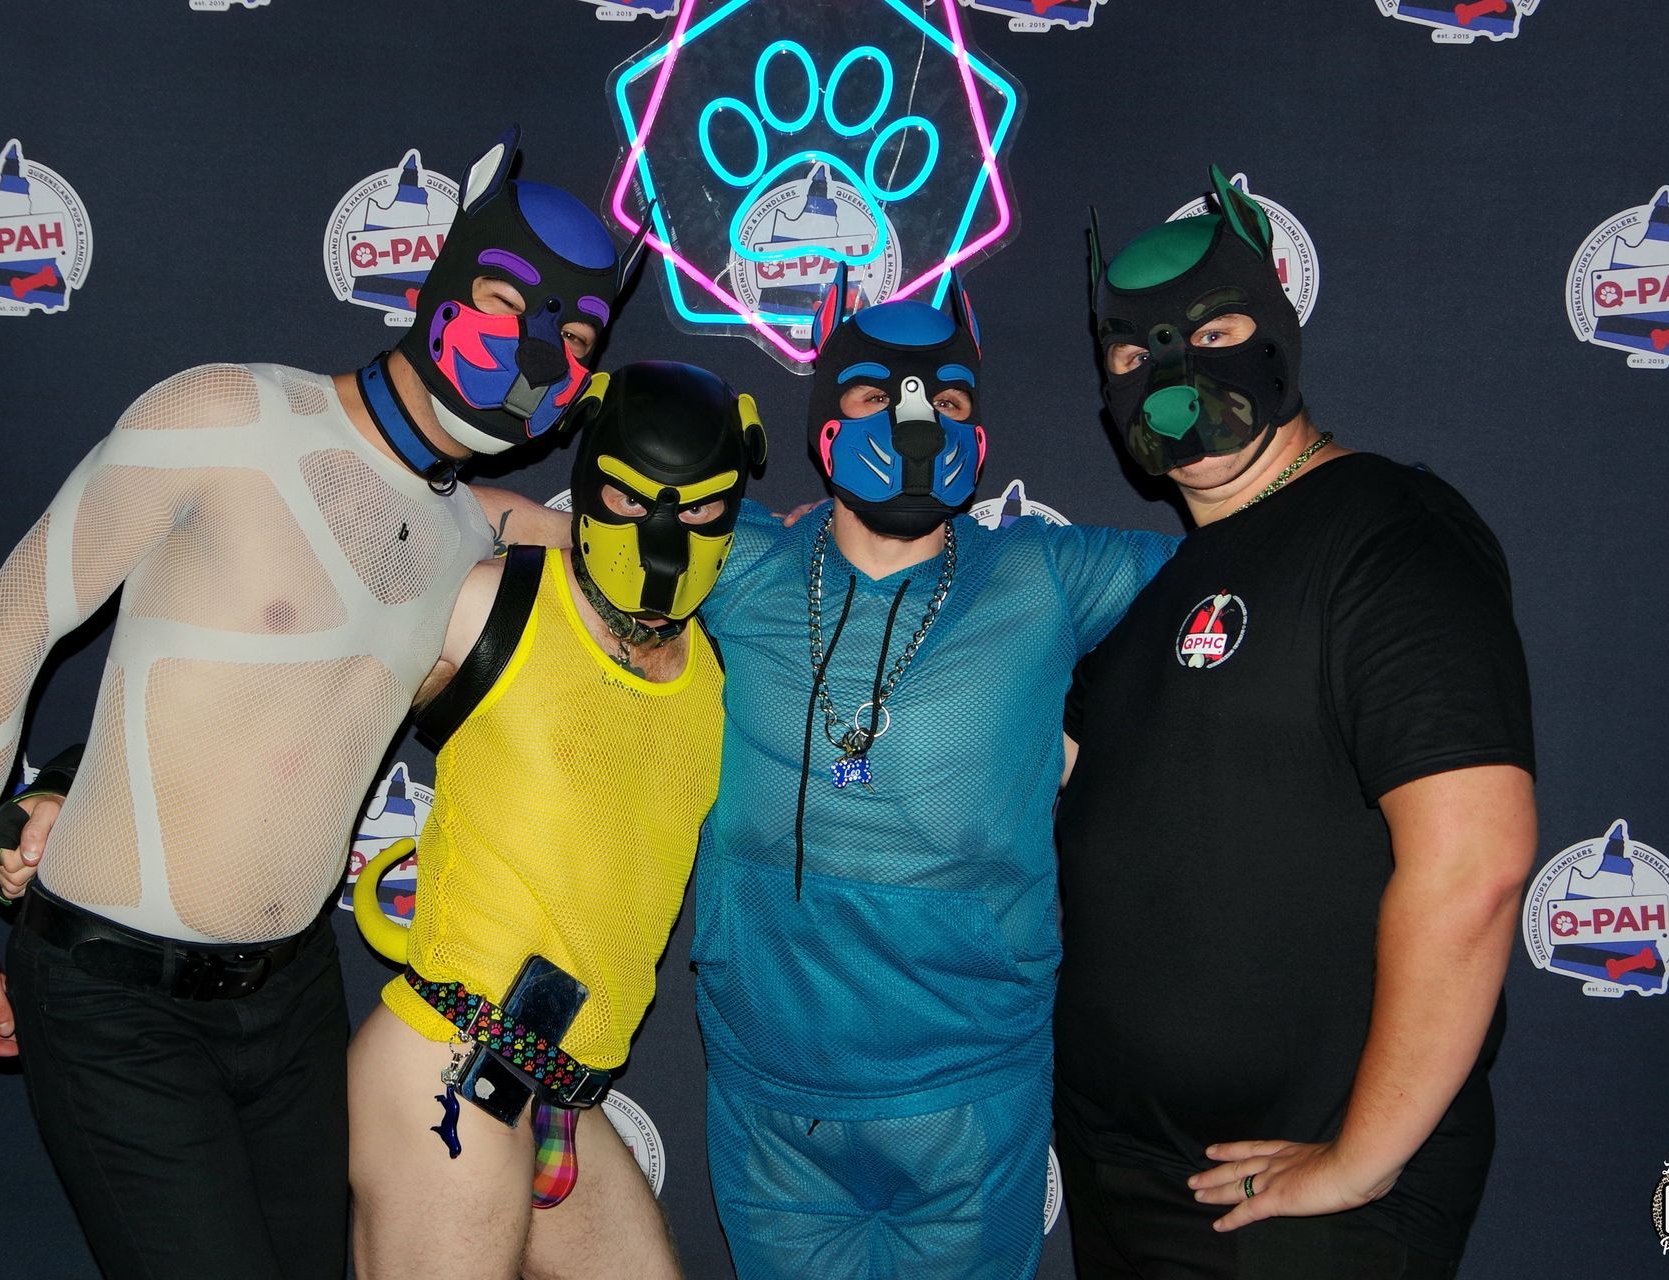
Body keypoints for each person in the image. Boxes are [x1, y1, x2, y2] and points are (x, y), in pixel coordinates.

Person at [0, 127, 642, 1280]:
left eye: (575, 337)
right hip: (116, 1004)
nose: (536, 349)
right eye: (511, 300)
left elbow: (653, 553)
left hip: (294, 999)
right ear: (447, 276)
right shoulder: (226, 415)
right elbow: (8, 623)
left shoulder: (473, 532)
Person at [1053, 168, 1537, 1279]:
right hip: (1127, 1178)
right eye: (1130, 357)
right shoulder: (1155, 592)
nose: (1170, 376)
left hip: (1300, 1210)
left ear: (1273, 333)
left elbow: (1477, 862)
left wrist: (1359, 1161)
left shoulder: (1385, 530)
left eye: (1213, 332)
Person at [683, 271, 1178, 1280]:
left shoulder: (1044, 574)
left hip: (969, 1091)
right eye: (876, 395)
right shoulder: (741, 565)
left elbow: (1249, 575)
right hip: (771, 1095)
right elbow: (568, 535)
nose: (916, 423)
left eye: (947, 400)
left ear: (979, 437)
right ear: (826, 427)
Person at [344, 360, 766, 1279]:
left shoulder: (718, 666)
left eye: (698, 508)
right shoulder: (492, 600)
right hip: (453, 1060)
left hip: (567, 1092)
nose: (663, 534)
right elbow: (299, 700)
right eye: (629, 498)